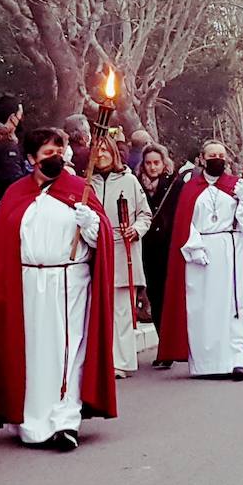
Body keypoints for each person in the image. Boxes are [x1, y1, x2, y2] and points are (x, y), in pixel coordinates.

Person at [0, 128, 117, 450]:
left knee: (68, 350)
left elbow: (101, 238)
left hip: (70, 281)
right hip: (27, 284)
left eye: (59, 153)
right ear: (32, 159)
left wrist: (91, 225)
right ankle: (33, 422)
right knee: (32, 352)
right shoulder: (15, 194)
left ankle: (66, 421)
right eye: (48, 154)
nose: (55, 160)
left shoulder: (80, 190)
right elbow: (2, 246)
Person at [157, 139, 243, 379]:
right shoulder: (190, 189)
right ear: (202, 159)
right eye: (212, 155)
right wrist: (194, 245)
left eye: (221, 154)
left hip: (231, 249)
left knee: (235, 305)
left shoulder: (235, 185)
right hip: (201, 254)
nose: (217, 158)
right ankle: (206, 363)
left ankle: (238, 359)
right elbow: (185, 224)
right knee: (203, 306)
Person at [88, 136, 152, 377]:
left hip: (122, 247)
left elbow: (145, 214)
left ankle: (121, 362)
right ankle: (99, 361)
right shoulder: (87, 183)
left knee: (122, 310)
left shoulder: (130, 181)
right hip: (96, 250)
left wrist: (135, 230)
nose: (101, 154)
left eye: (106, 150)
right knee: (97, 309)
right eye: (98, 150)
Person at [137, 144, 177, 334]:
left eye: (156, 163)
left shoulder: (173, 185)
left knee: (169, 294)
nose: (153, 167)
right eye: (148, 163)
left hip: (168, 246)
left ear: (164, 163)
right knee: (153, 294)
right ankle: (163, 339)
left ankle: (169, 343)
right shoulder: (136, 184)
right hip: (146, 246)